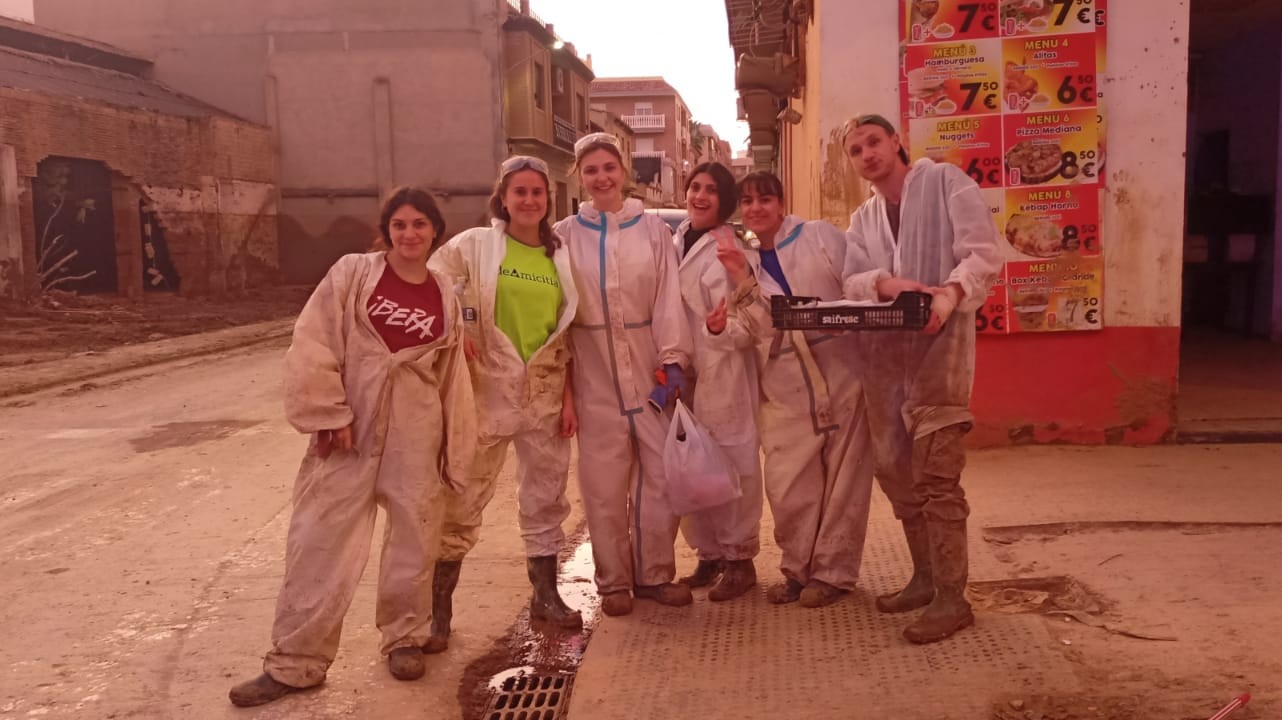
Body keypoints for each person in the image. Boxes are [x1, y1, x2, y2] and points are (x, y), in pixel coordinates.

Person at [228, 187, 476, 707]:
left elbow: (452, 378)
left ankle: (405, 638)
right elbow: (314, 340)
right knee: (318, 538)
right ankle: (296, 661)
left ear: (436, 232)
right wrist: (328, 412)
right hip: (349, 432)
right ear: (386, 231)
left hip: (417, 431)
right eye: (400, 225)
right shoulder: (353, 274)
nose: (409, 234)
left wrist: (456, 452)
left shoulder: (444, 293)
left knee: (415, 536)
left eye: (420, 225)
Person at [839, 113, 1003, 643]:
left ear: (896, 142)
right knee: (895, 472)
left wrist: (949, 294)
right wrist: (886, 283)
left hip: (941, 354)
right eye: (856, 149)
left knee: (937, 476)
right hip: (884, 363)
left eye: (874, 142)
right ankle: (925, 578)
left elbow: (981, 253)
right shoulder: (863, 217)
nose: (867, 154)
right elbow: (852, 275)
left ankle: (954, 599)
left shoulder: (945, 183)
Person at [423, 156, 583, 653]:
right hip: (484, 389)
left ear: (547, 200)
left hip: (544, 391)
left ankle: (545, 595)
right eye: (520, 192)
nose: (530, 200)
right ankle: (437, 612)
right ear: (504, 197)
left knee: (545, 496)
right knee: (462, 495)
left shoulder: (560, 257)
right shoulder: (475, 246)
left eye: (538, 192)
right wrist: (455, 329)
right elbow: (430, 282)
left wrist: (570, 398)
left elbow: (570, 334)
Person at [552, 132, 694, 617]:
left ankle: (654, 575)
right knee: (602, 484)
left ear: (623, 170)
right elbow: (555, 314)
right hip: (594, 377)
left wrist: (673, 362)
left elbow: (668, 295)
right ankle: (613, 582)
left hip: (649, 369)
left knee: (660, 478)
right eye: (590, 170)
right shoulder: (564, 234)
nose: (601, 177)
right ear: (580, 176)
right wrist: (566, 390)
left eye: (608, 167)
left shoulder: (652, 230)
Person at [726, 171, 877, 608]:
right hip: (785, 377)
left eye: (765, 199)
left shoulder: (820, 236)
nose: (756, 209)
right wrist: (738, 286)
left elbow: (855, 282)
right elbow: (756, 326)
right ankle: (797, 568)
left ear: (781, 202)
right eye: (748, 201)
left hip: (841, 363)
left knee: (846, 476)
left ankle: (832, 574)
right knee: (789, 480)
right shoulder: (746, 261)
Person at [670, 161, 763, 602]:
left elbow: (752, 322)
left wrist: (718, 330)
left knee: (731, 466)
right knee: (690, 467)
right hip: (681, 372)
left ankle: (740, 561)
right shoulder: (674, 241)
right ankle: (708, 556)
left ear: (724, 202)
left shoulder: (731, 248)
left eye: (711, 190)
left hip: (722, 371)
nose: (700, 196)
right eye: (694, 187)